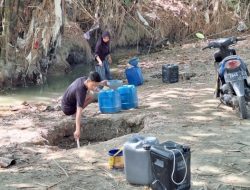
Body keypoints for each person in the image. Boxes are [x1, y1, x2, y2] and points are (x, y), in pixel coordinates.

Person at [61, 71, 107, 140]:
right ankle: (74, 114)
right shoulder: (80, 91)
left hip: (66, 102)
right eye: (93, 85)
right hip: (67, 109)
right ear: (89, 81)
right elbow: (79, 111)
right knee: (90, 96)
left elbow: (93, 84)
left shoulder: (84, 79)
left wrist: (101, 83)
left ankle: (75, 112)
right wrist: (77, 129)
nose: (95, 87)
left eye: (96, 85)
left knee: (91, 95)